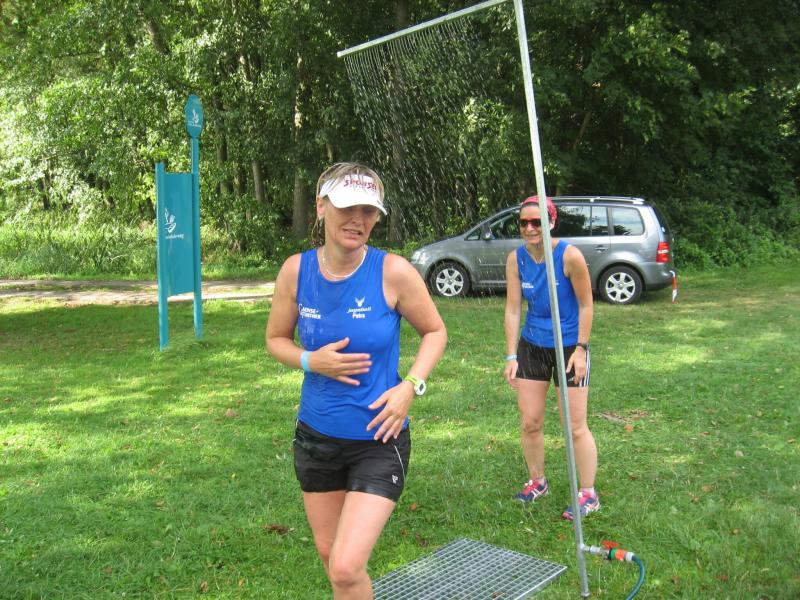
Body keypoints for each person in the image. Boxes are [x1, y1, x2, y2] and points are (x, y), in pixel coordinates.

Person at [266, 162, 447, 599]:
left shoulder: (393, 271)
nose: (358, 220)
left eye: (368, 211)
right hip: (316, 439)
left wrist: (410, 385)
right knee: (332, 559)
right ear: (321, 207)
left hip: (378, 440)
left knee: (347, 567)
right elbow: (275, 339)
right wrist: (311, 360)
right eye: (348, 207)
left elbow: (435, 332)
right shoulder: (296, 271)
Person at [503, 195, 600, 521]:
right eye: (524, 222)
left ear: (551, 222)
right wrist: (511, 355)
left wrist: (582, 349)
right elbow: (513, 309)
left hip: (570, 347)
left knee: (575, 426)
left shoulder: (569, 256)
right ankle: (538, 481)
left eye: (537, 221)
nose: (530, 228)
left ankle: (588, 494)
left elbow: (586, 305)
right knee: (530, 422)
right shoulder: (516, 259)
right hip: (533, 345)